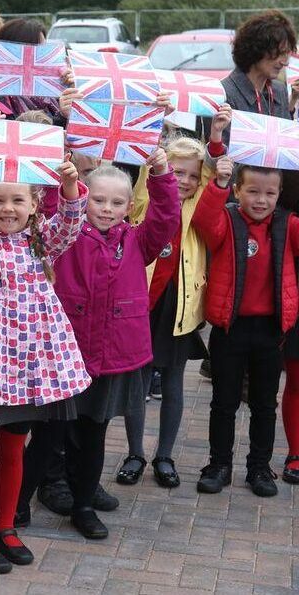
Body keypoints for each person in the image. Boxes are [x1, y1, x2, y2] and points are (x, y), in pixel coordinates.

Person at [0, 155, 91, 574]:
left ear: (34, 204)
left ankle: (5, 525)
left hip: (29, 371)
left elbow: (70, 223)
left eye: (18, 200)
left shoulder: (44, 242)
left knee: (14, 449)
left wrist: (70, 187)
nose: (9, 208)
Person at [53, 156, 179, 540]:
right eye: (98, 201)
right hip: (68, 352)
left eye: (117, 203)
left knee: (95, 430)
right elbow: (50, 209)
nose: (107, 210)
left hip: (111, 356)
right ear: (84, 199)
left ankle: (84, 501)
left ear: (129, 206)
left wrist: (161, 175)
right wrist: (66, 184)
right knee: (57, 431)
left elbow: (166, 217)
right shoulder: (67, 232)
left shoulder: (137, 240)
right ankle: (46, 489)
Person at [219, 10, 299, 486]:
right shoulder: (229, 92)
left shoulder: (281, 93)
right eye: (280, 52)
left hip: (277, 206)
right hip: (237, 204)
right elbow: (222, 149)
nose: (285, 61)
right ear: (260, 50)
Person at [192, 156, 299, 497]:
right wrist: (218, 185)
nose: (261, 200)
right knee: (223, 402)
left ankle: (259, 467)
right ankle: (219, 464)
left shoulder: (287, 224)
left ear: (280, 194)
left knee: (265, 404)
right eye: (252, 191)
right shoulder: (227, 219)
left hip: (270, 331)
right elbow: (203, 222)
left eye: (270, 193)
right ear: (238, 190)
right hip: (230, 328)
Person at [118, 136, 214, 488]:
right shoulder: (145, 207)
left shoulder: (199, 209)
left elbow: (211, 179)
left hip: (180, 306)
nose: (184, 181)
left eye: (192, 175)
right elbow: (147, 181)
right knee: (137, 383)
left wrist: (216, 141)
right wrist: (156, 155)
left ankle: (165, 455)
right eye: (176, 173)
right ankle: (134, 454)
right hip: (142, 305)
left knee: (173, 382)